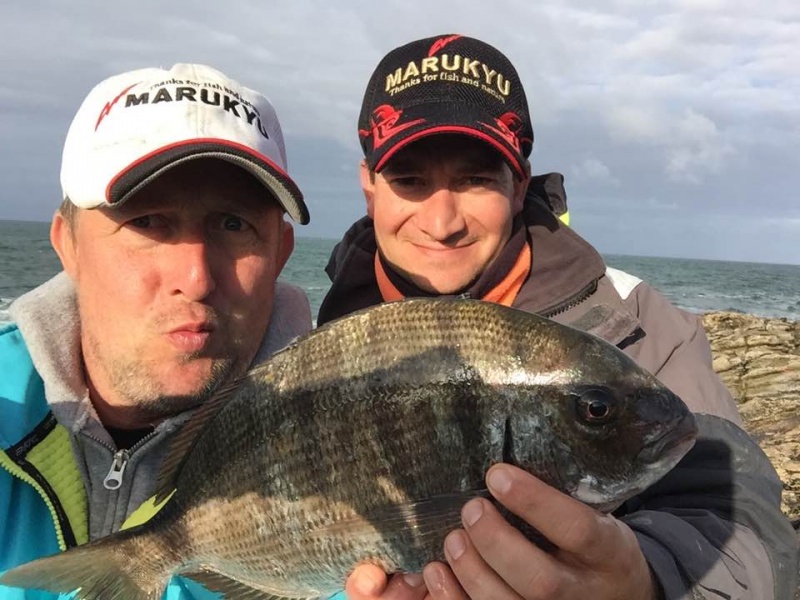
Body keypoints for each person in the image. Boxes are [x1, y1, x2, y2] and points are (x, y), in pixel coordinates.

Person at [318, 34, 799, 599]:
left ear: (519, 185)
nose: (442, 220)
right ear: (369, 186)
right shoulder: (316, 344)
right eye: (409, 181)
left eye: (475, 179)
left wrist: (645, 582)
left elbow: (748, 529)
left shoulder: (639, 328)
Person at [0, 63, 312, 599]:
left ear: (280, 253)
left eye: (234, 225)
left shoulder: (339, 453)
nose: (195, 278)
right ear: (66, 243)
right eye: (146, 222)